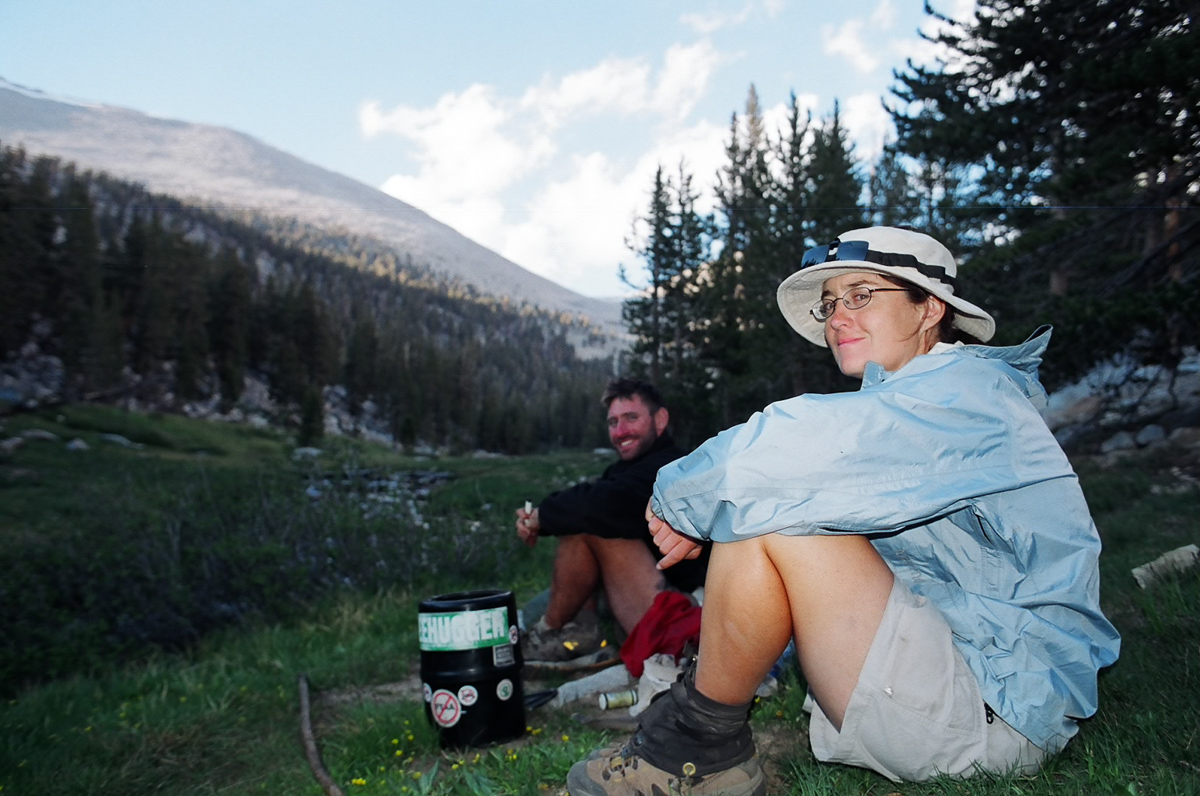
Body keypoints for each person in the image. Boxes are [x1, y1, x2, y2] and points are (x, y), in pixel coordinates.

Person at [567, 227, 1121, 795]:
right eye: (831, 304)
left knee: (781, 513)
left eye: (861, 295)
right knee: (783, 503)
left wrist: (678, 497)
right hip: (971, 682)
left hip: (994, 714)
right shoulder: (925, 399)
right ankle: (700, 738)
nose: (836, 318)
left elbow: (792, 444)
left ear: (929, 308)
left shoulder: (967, 397)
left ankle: (697, 747)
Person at [516, 378, 709, 663]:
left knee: (592, 520)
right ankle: (577, 631)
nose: (620, 431)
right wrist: (542, 517)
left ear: (660, 419)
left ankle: (550, 631)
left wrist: (542, 517)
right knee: (581, 516)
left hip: (685, 613)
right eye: (612, 422)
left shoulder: (673, 466)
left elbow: (606, 504)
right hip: (642, 599)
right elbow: (594, 500)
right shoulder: (622, 471)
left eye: (631, 418)